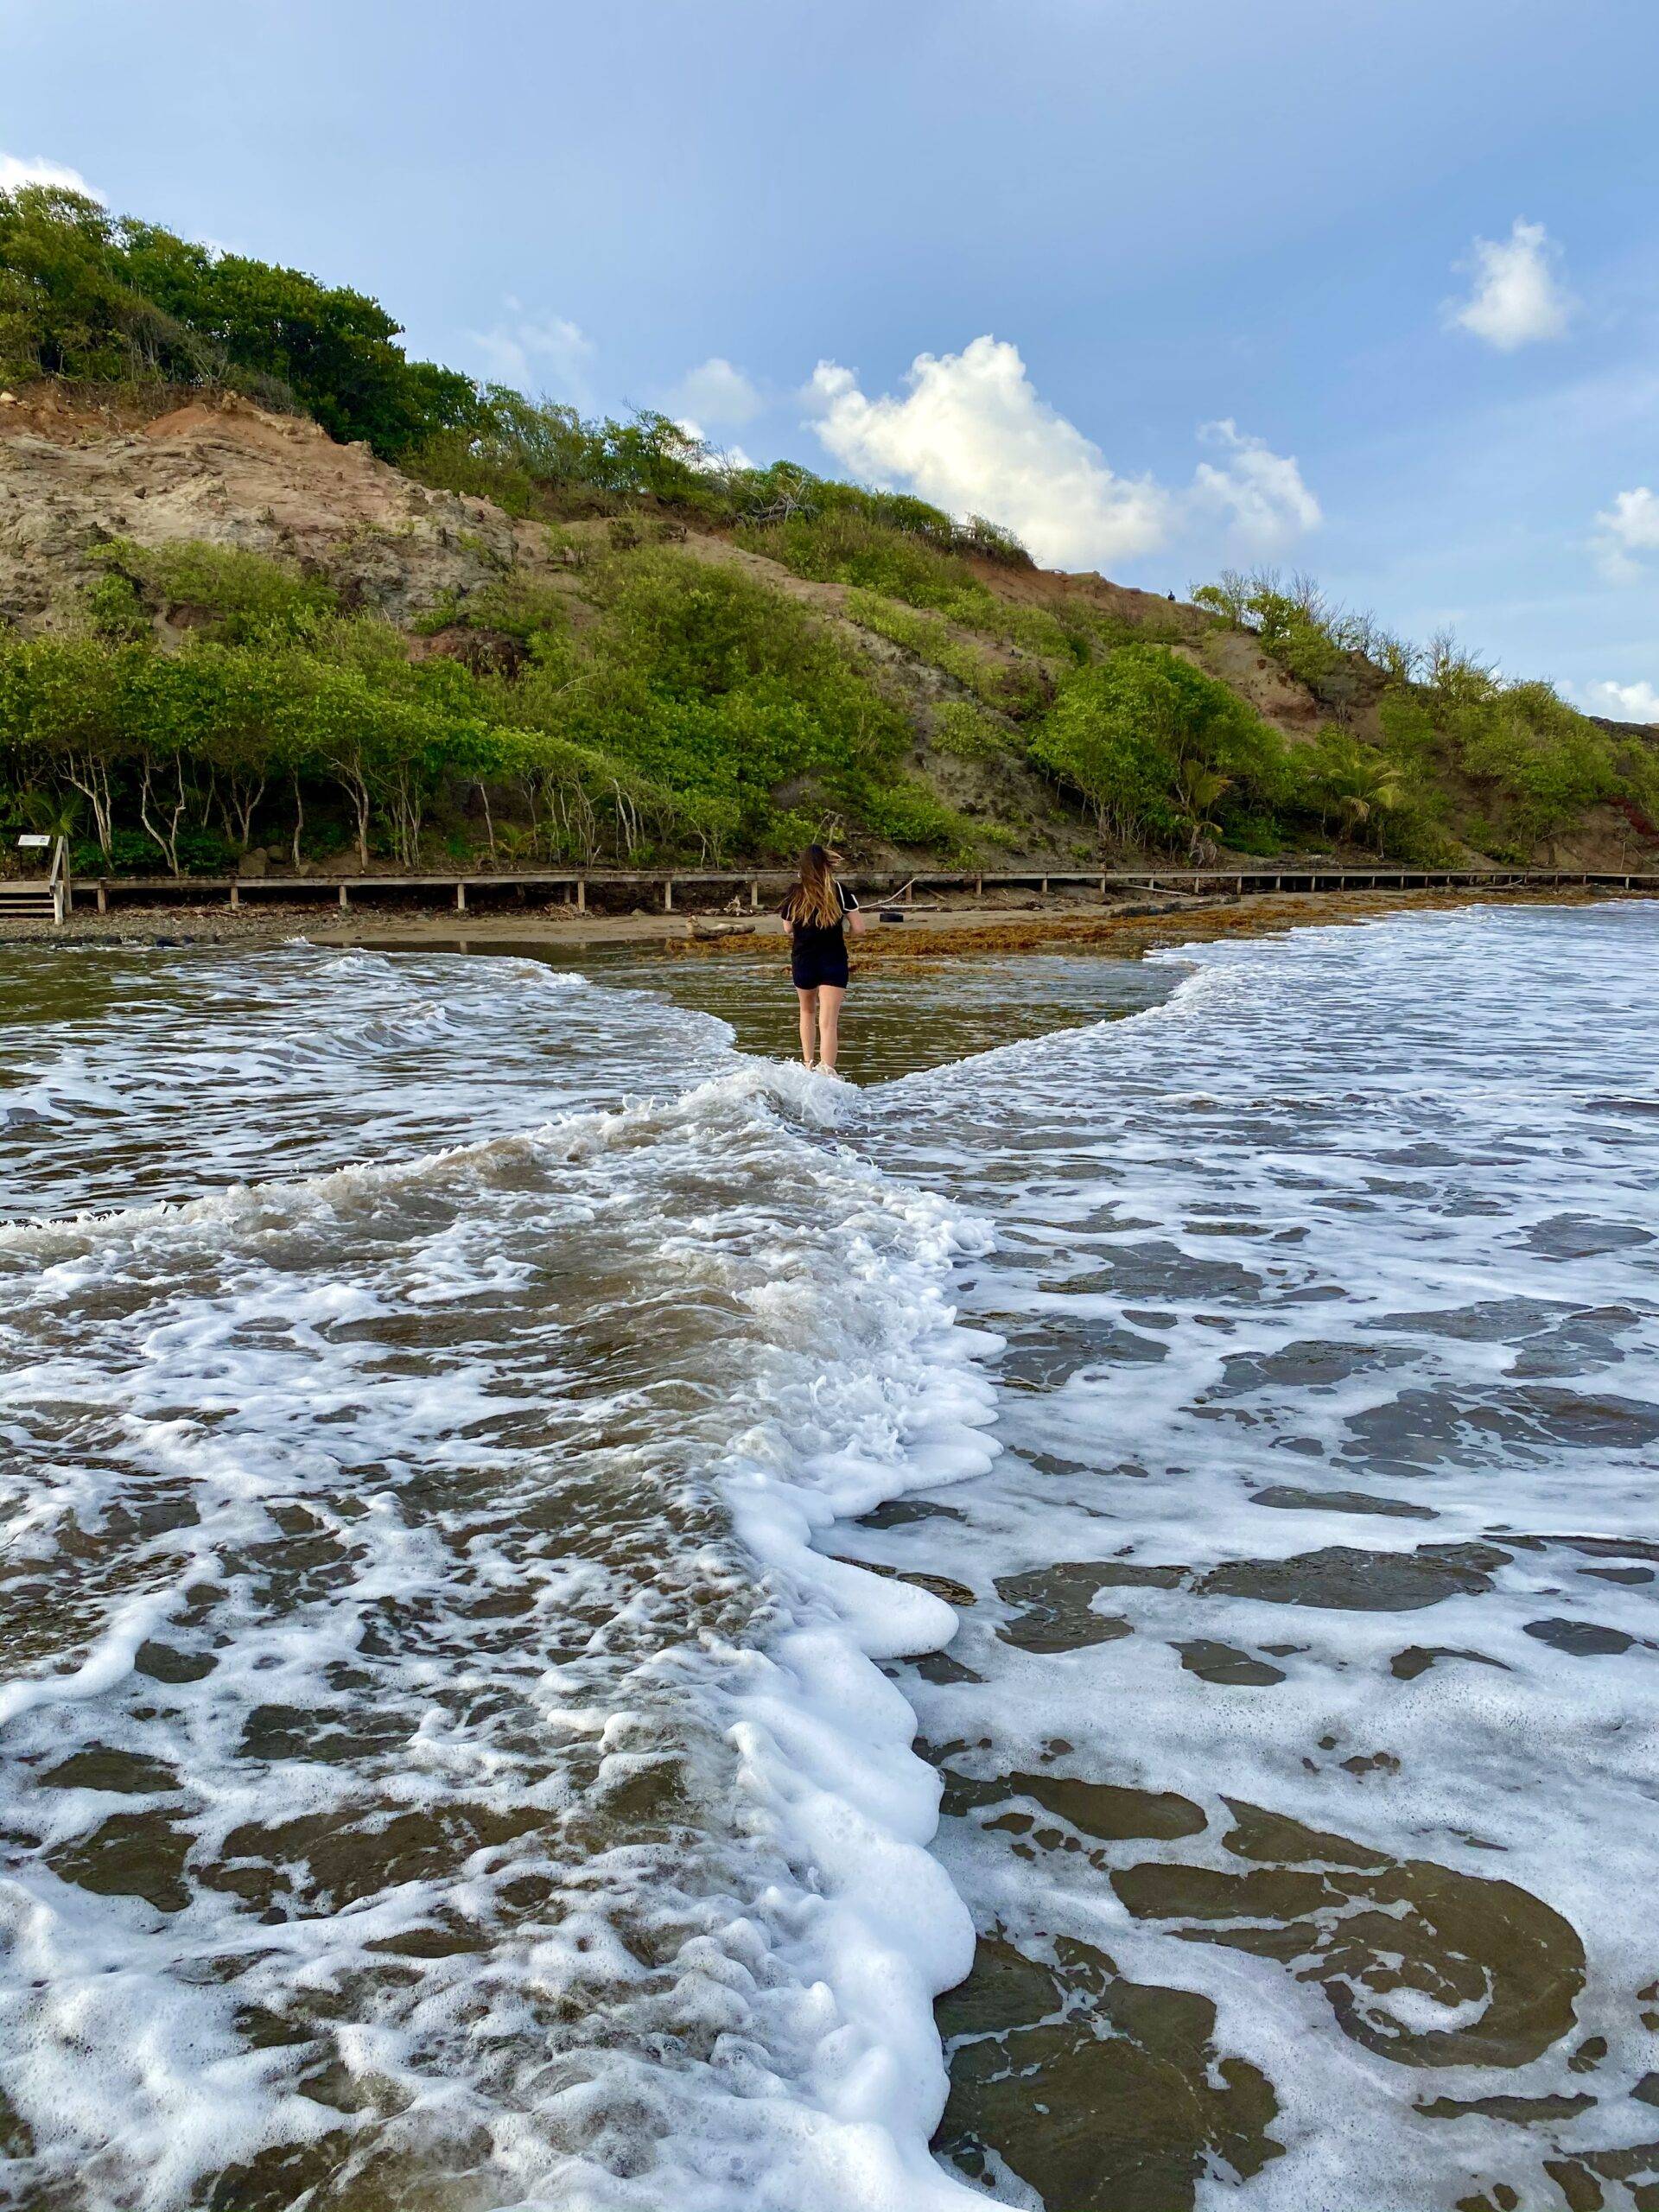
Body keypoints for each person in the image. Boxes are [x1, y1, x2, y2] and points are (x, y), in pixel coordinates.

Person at [780, 844, 865, 1072]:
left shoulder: (794, 892)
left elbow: (787, 928)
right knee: (828, 1022)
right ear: (827, 865)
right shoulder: (840, 891)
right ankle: (827, 1072)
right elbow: (859, 929)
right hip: (833, 959)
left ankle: (808, 1065)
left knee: (806, 1011)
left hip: (804, 959)